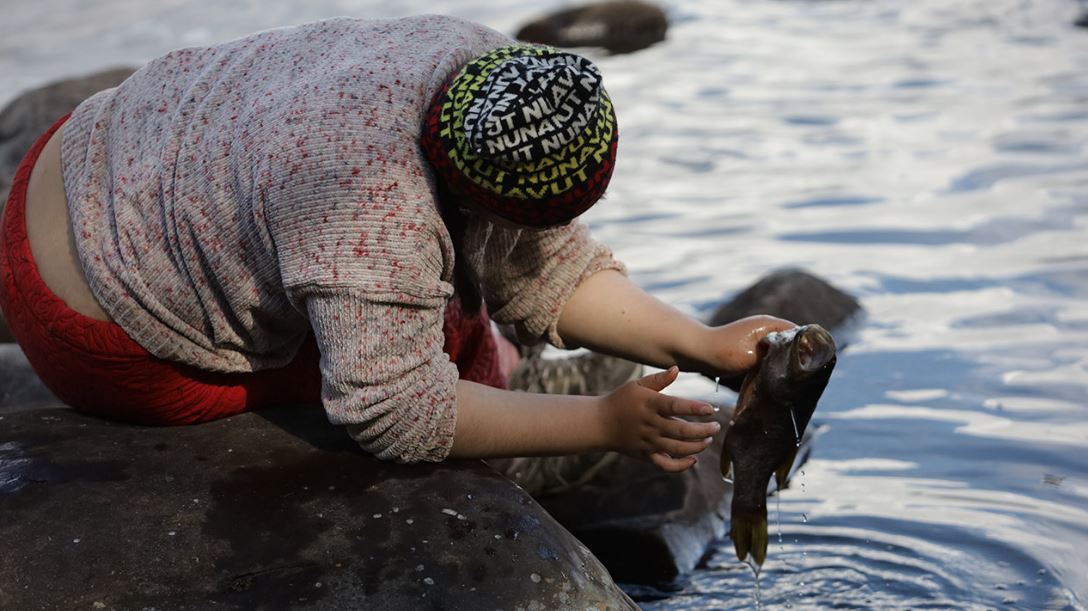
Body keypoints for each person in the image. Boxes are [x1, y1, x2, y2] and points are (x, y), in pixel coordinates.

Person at [0, 15, 793, 472]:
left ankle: (517, 377)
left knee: (436, 298)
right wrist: (601, 424)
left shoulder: (478, 63)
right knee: (453, 346)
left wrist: (699, 341)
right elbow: (392, 413)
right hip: (103, 329)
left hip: (82, 155)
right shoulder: (369, 207)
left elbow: (543, 259)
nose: (549, 239)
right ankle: (524, 416)